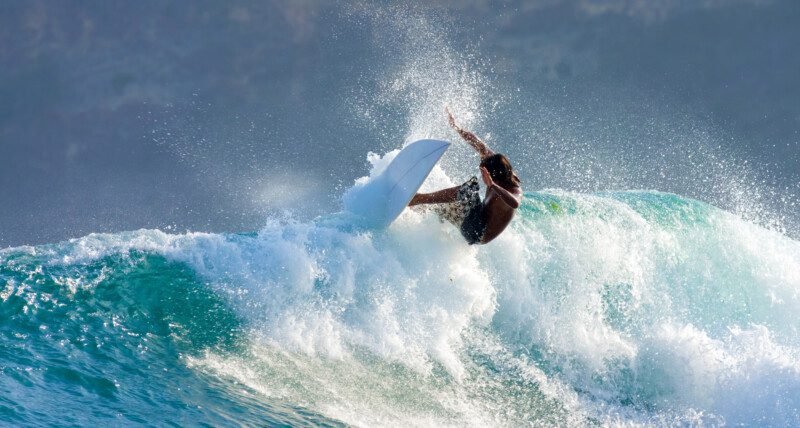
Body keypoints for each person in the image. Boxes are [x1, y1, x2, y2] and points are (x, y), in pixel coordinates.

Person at [409, 108, 522, 244]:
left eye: (485, 171)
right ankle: (413, 210)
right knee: (436, 207)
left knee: (469, 189)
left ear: (495, 175)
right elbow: (480, 146)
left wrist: (492, 185)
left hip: (478, 233)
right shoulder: (498, 165)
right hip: (475, 217)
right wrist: (456, 127)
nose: (482, 173)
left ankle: (417, 199)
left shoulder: (513, 189)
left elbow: (515, 203)